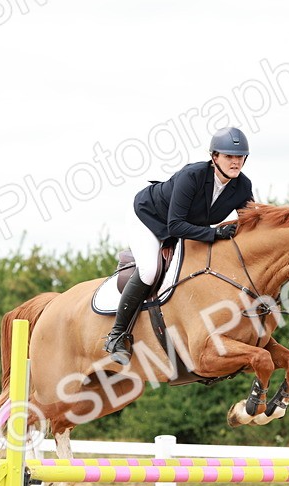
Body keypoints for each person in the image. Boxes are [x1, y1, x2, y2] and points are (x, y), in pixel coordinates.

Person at [103, 126, 255, 365]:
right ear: (214, 157)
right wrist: (215, 233)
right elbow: (175, 226)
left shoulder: (243, 186)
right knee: (150, 271)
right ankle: (116, 335)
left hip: (185, 227)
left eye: (239, 157)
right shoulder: (192, 175)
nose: (235, 162)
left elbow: (251, 223)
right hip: (148, 218)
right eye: (229, 157)